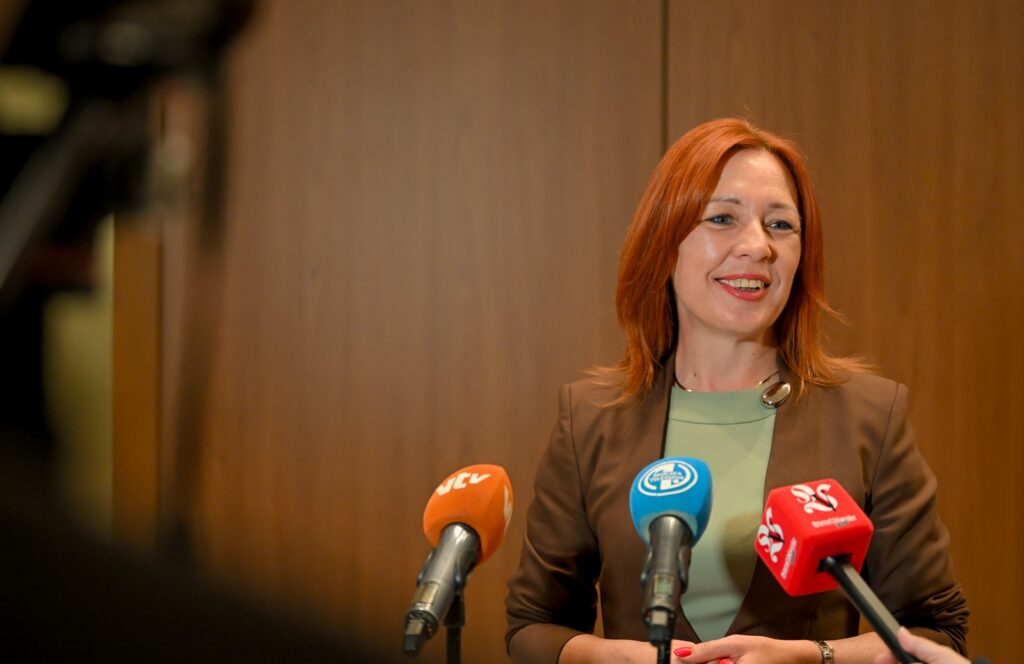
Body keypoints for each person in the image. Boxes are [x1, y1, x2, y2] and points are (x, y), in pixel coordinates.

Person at [505, 119, 968, 663]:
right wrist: (615, 657)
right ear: (665, 242)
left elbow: (936, 633)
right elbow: (533, 628)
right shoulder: (590, 420)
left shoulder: (869, 416)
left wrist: (811, 657)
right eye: (722, 218)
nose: (758, 246)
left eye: (781, 225)